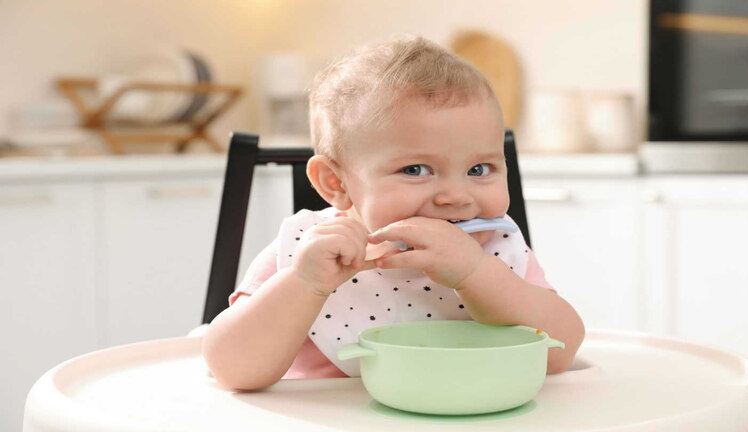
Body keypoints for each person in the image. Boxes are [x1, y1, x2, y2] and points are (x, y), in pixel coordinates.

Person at [202, 36, 585, 391]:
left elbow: (560, 353)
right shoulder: (310, 252)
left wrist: (476, 274)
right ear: (336, 183)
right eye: (416, 170)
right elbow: (230, 370)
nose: (456, 195)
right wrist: (305, 284)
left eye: (479, 170)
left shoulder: (495, 250)